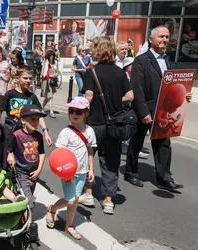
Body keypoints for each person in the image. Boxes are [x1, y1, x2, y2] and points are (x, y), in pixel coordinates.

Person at [125, 25, 192, 191]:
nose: (164, 40)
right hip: (145, 110)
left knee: (163, 144)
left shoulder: (168, 59)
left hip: (163, 111)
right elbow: (137, 88)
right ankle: (131, 172)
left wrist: (184, 95)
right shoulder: (141, 60)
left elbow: (173, 85)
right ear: (151, 39)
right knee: (136, 142)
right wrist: (143, 113)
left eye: (167, 37)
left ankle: (164, 178)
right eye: (161, 37)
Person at [82, 37, 134, 215]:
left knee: (88, 158)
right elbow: (130, 95)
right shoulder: (120, 73)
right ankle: (108, 200)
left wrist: (83, 103)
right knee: (111, 161)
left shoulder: (92, 72)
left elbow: (88, 95)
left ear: (98, 50)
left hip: (94, 123)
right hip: (114, 124)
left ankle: (88, 193)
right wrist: (115, 101)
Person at [46, 97, 96, 239]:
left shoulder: (90, 131)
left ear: (86, 113)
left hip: (82, 171)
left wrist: (91, 169)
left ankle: (69, 225)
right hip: (68, 171)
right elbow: (58, 154)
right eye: (71, 110)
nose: (74, 114)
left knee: (74, 201)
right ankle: (52, 209)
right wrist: (65, 172)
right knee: (71, 199)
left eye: (78, 111)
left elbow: (90, 151)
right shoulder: (66, 132)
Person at [0, 66, 53, 146]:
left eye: (30, 78)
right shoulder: (10, 94)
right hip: (10, 131)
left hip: (26, 133)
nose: (28, 81)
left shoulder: (32, 97)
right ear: (18, 78)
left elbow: (39, 115)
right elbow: (0, 109)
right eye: (25, 78)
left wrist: (45, 132)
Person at [7, 104, 46, 208]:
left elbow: (42, 153)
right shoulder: (16, 135)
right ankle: (30, 223)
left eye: (37, 119)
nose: (36, 122)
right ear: (23, 120)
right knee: (29, 202)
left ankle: (21, 218)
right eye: (32, 119)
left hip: (34, 172)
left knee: (26, 197)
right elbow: (9, 149)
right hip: (21, 172)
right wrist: (10, 154)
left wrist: (39, 170)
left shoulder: (38, 136)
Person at [41, 49, 59, 118]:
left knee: (50, 96)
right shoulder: (46, 63)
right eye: (50, 56)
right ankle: (50, 111)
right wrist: (51, 75)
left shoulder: (55, 63)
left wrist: (56, 74)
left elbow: (57, 71)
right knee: (49, 96)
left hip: (53, 82)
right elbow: (44, 74)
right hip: (47, 81)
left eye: (53, 56)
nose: (52, 57)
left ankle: (43, 108)